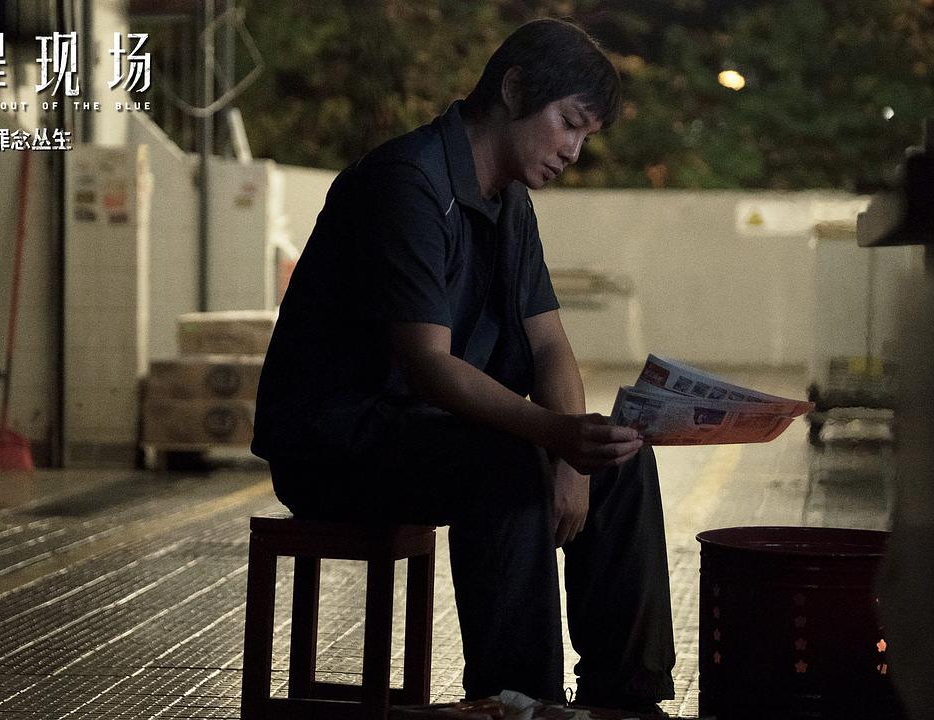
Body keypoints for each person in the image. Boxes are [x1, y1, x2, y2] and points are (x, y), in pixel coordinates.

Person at [252, 18, 676, 716]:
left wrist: (575, 454)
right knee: (508, 461)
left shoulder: (509, 202)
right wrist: (552, 436)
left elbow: (550, 345)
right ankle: (521, 701)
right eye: (569, 124)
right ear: (514, 91)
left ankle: (625, 699)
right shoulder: (407, 182)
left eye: (586, 136)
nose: (574, 151)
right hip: (336, 443)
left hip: (427, 433)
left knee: (620, 459)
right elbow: (427, 365)